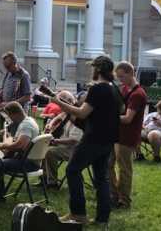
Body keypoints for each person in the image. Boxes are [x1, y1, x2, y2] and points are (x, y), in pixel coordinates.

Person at [52, 55, 121, 227]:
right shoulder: (115, 89)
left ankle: (78, 214)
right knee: (101, 178)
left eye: (93, 68)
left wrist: (59, 102)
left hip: (93, 139)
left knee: (72, 170)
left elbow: (82, 113)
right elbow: (118, 110)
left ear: (98, 69)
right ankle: (102, 218)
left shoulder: (97, 89)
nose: (92, 71)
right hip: (108, 140)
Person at [0, 102, 40, 205]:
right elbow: (20, 141)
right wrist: (9, 137)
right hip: (24, 158)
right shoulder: (28, 121)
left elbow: (20, 145)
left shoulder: (26, 125)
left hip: (28, 163)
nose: (10, 119)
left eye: (9, 116)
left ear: (15, 114)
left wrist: (4, 145)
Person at [109, 61, 147, 208]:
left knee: (124, 169)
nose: (120, 80)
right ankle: (114, 194)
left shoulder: (138, 94)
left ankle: (124, 201)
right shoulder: (124, 88)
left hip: (127, 136)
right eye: (118, 77)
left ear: (131, 73)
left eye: (122, 76)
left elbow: (127, 118)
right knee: (108, 165)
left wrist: (108, 117)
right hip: (117, 134)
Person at [43, 92, 83, 188]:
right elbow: (57, 118)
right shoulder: (66, 113)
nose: (60, 107)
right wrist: (50, 125)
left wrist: (56, 141)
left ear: (69, 102)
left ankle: (52, 182)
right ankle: (43, 178)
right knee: (42, 147)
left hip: (74, 149)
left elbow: (74, 141)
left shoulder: (77, 118)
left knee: (49, 152)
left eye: (61, 104)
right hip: (63, 145)